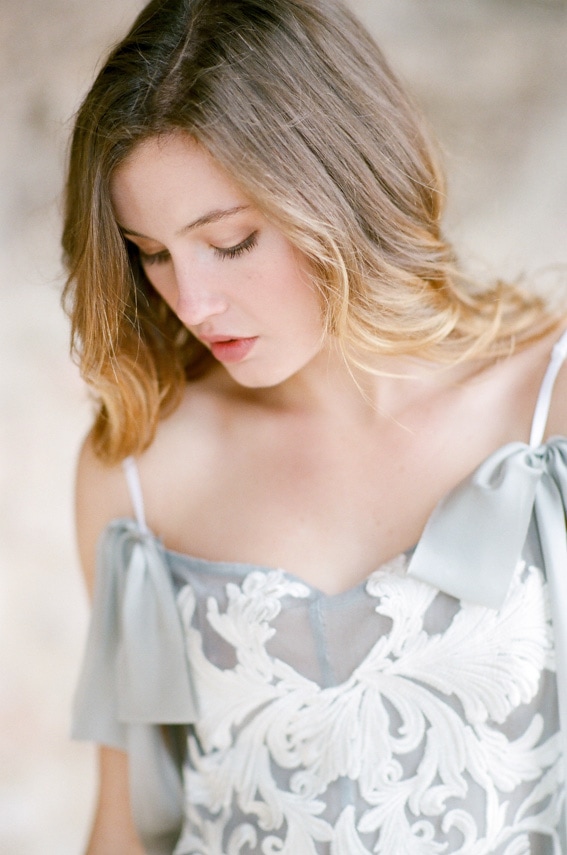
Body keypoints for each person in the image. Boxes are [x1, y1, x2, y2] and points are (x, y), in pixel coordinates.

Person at [63, 0, 567, 852]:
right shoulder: (139, 472)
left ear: (343, 189)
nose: (192, 302)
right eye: (150, 251)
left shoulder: (547, 405)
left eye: (229, 241)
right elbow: (127, 826)